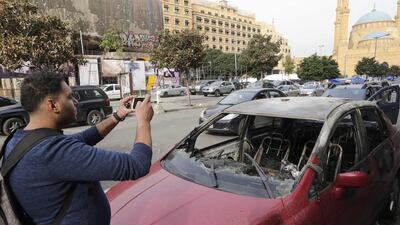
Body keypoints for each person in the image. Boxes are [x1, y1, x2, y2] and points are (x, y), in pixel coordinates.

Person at [4, 71, 154, 225]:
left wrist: (117, 116)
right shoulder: (55, 152)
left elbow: (84, 138)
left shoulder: (20, 140)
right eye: (69, 97)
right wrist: (144, 121)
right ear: (52, 105)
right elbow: (137, 165)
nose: (76, 101)